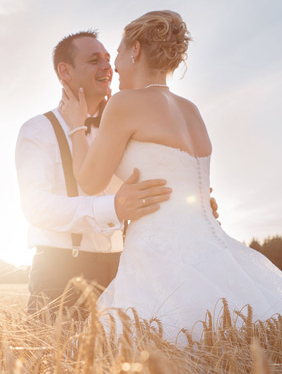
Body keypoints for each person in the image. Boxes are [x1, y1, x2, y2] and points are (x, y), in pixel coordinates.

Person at [60, 10, 282, 342]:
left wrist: (75, 123)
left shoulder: (125, 104)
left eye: (117, 52)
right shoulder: (191, 110)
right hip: (212, 249)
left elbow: (89, 182)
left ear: (136, 50)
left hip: (158, 255)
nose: (113, 63)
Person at [14, 30, 173, 316]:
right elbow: (35, 207)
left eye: (108, 59)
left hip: (124, 269)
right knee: (54, 359)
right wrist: (113, 206)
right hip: (61, 271)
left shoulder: (127, 127)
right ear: (65, 71)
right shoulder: (37, 130)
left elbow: (147, 185)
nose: (107, 67)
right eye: (93, 60)